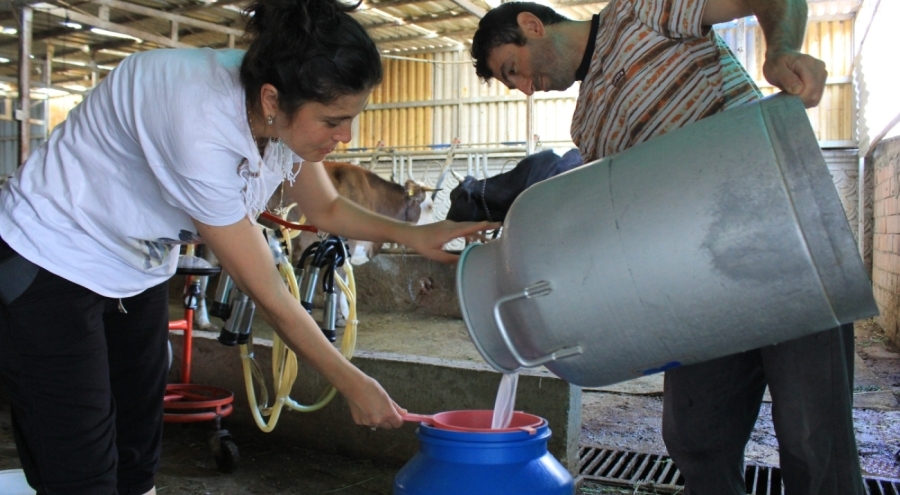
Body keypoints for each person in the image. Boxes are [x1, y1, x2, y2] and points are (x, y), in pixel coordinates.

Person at [0, 0, 496, 492]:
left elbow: (325, 209)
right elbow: (270, 295)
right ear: (271, 100)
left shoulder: (280, 106)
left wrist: (416, 233)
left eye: (351, 118)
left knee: (135, 449)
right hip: (52, 258)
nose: (345, 136)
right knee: (79, 466)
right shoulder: (199, 124)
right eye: (332, 121)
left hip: (134, 265)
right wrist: (350, 381)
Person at [470, 1, 863, 494]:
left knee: (813, 441)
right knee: (696, 438)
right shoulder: (586, 126)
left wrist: (781, 48)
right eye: (513, 85)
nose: (525, 88)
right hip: (695, 281)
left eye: (514, 70)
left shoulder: (638, 12)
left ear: (531, 26)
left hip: (781, 238)